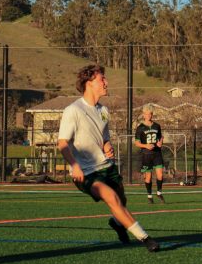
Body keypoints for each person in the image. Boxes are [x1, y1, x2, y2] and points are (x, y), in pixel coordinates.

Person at [57, 64, 159, 252]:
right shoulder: (73, 110)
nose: (106, 82)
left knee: (122, 200)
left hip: (106, 166)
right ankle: (145, 238)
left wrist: (107, 145)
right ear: (89, 83)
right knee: (112, 197)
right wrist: (75, 165)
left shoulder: (103, 110)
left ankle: (117, 223)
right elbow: (62, 143)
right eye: (102, 79)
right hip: (86, 173)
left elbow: (103, 137)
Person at [135, 105, 166, 204]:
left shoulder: (157, 126)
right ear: (143, 115)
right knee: (148, 177)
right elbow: (136, 143)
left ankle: (159, 192)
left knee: (160, 174)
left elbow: (160, 138)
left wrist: (160, 142)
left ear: (152, 114)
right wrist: (145, 146)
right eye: (146, 114)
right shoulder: (140, 128)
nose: (149, 115)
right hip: (146, 154)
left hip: (157, 153)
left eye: (150, 114)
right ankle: (149, 195)